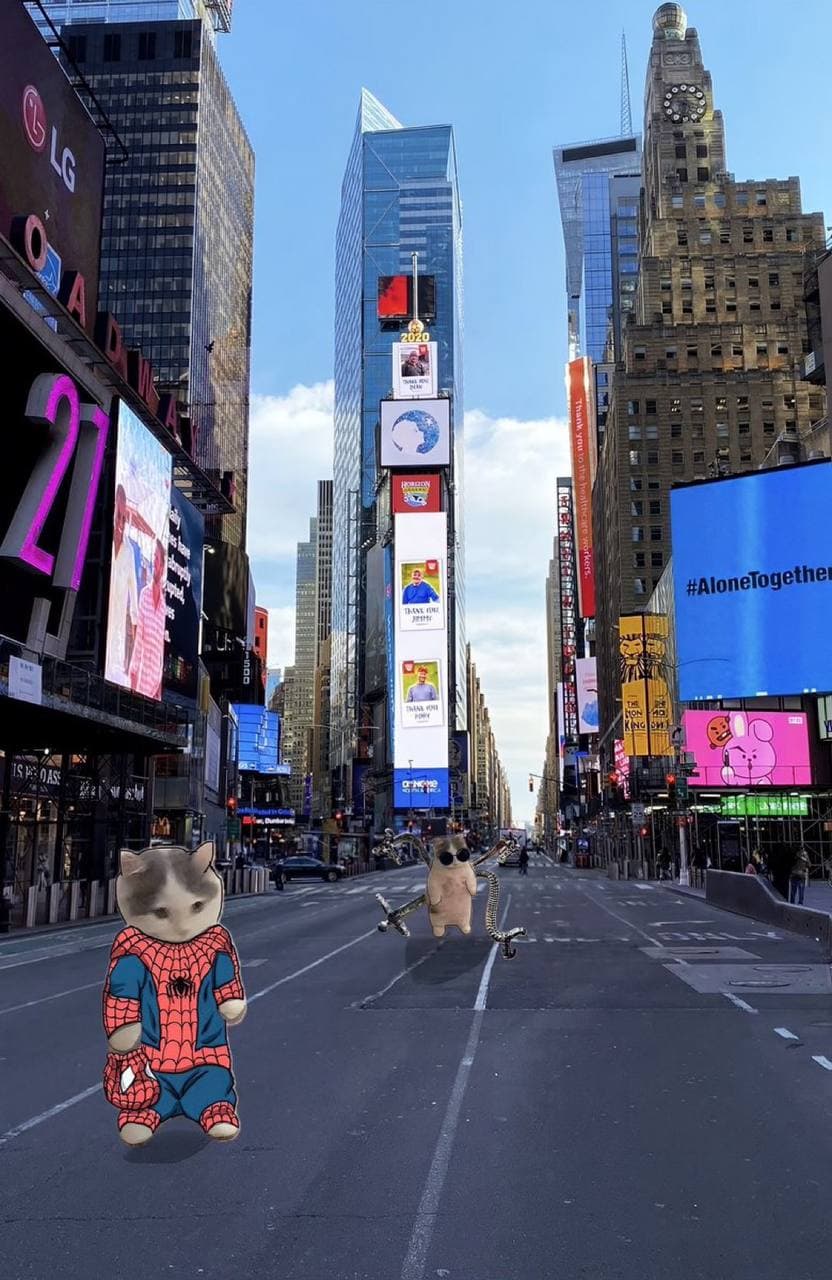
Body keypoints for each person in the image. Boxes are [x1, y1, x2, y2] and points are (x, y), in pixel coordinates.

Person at [105, 484, 139, 685]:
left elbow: (133, 587)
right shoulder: (105, 540)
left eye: (123, 518)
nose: (121, 523)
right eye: (118, 516)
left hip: (117, 618)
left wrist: (134, 621)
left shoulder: (129, 550)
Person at [129, 538, 167, 699]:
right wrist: (133, 675)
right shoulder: (144, 594)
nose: (154, 562)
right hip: (139, 685)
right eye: (153, 557)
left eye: (157, 559)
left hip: (154, 687)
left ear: (163, 565)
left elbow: (160, 650)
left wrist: (159, 688)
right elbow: (139, 640)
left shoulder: (164, 606)